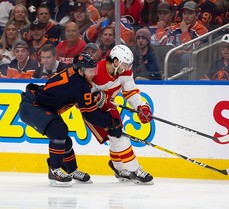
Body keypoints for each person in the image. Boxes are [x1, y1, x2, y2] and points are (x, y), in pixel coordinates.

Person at [18, 52, 121, 187]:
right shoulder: (79, 85)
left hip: (39, 105)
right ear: (81, 71)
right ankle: (54, 170)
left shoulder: (76, 76)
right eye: (90, 71)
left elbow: (77, 99)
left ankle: (71, 170)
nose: (93, 73)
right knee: (59, 130)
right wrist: (111, 122)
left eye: (94, 69)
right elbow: (90, 114)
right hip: (32, 107)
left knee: (64, 140)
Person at [88, 44, 154, 184]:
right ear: (116, 61)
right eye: (125, 64)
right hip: (91, 111)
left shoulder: (124, 72)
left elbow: (130, 91)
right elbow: (82, 97)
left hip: (109, 107)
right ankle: (135, 170)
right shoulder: (96, 71)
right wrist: (95, 99)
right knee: (118, 135)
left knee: (116, 136)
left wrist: (140, 107)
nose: (128, 69)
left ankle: (118, 169)